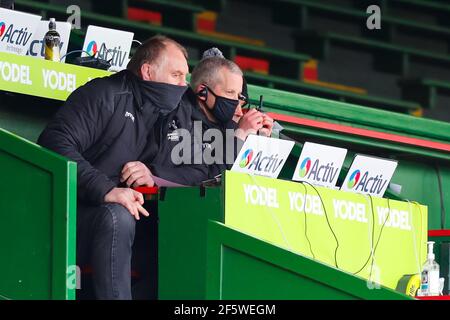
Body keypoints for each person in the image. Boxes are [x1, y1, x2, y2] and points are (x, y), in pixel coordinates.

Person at [37, 35, 189, 299]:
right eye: (176, 75)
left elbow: (185, 168)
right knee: (117, 216)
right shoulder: (106, 94)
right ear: (148, 71)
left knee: (177, 229)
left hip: (118, 220)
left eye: (185, 78)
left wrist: (152, 175)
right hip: (65, 213)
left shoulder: (166, 116)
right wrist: (107, 190)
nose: (182, 85)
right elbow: (54, 142)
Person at [142, 55, 274, 186]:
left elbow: (248, 182)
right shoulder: (178, 115)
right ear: (203, 92)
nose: (236, 103)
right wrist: (239, 136)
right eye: (229, 92)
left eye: (238, 95)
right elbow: (209, 179)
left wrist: (258, 140)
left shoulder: (229, 123)